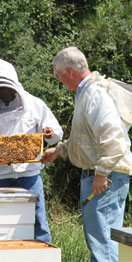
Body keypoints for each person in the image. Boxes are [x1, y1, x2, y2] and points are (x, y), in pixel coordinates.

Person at [41, 46, 131, 262]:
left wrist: (101, 172)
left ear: (69, 72)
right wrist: (59, 150)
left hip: (105, 178)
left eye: (59, 75)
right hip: (104, 176)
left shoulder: (95, 93)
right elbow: (86, 137)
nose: (60, 81)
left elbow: (114, 139)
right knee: (100, 244)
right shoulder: (87, 92)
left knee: (104, 246)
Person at [0, 58, 63, 243]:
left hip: (29, 174)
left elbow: (57, 133)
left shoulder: (35, 104)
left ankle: (43, 255)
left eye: (7, 89)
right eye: (0, 90)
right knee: (5, 222)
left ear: (15, 86)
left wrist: (50, 133)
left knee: (37, 218)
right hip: (3, 175)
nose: (4, 93)